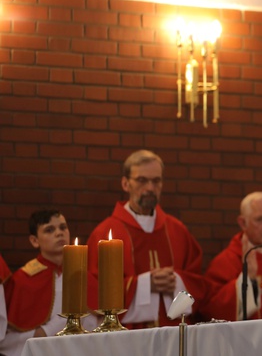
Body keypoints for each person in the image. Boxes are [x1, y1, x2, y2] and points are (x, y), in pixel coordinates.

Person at [87, 150, 207, 328]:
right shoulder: (106, 233)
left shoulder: (177, 231)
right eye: (142, 180)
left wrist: (176, 281)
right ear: (125, 183)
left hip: (174, 333)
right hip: (127, 336)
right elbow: (94, 289)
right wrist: (143, 284)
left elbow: (199, 284)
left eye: (156, 181)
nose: (150, 188)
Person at [2, 210, 98, 356]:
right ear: (34, 240)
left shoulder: (86, 277)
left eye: (63, 227)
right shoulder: (22, 280)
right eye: (49, 230)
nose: (59, 233)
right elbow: (7, 341)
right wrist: (48, 330)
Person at [201, 192, 262, 320]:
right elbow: (212, 309)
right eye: (260, 219)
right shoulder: (226, 262)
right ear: (243, 223)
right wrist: (247, 278)